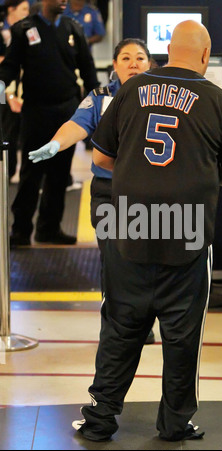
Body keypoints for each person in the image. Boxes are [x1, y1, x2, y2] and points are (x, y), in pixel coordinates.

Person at [71, 20, 222, 442]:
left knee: (119, 327)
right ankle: (174, 424)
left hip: (128, 228)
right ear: (206, 57)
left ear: (165, 52)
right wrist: (200, 175)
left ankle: (100, 419)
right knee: (182, 336)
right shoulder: (216, 99)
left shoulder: (131, 90)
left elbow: (101, 157)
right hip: (186, 235)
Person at [28, 37, 156, 344]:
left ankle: (142, 322)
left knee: (145, 259)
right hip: (108, 192)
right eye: (125, 58)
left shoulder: (161, 98)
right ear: (114, 66)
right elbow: (78, 124)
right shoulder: (100, 97)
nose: (133, 63)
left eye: (140, 58)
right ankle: (115, 325)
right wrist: (56, 144)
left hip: (149, 194)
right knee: (114, 257)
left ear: (150, 64)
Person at [0, 0, 99, 247]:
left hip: (66, 110)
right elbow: (10, 67)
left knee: (59, 174)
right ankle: (20, 230)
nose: (64, 1)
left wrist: (99, 103)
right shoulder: (24, 30)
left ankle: (49, 228)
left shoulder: (73, 28)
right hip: (35, 111)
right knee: (31, 174)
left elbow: (88, 70)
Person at [0, 0, 30, 181]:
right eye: (23, 9)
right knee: (8, 131)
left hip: (21, 89)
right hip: (4, 90)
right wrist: (9, 95)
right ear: (11, 9)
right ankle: (7, 173)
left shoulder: (25, 31)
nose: (27, 13)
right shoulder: (2, 31)